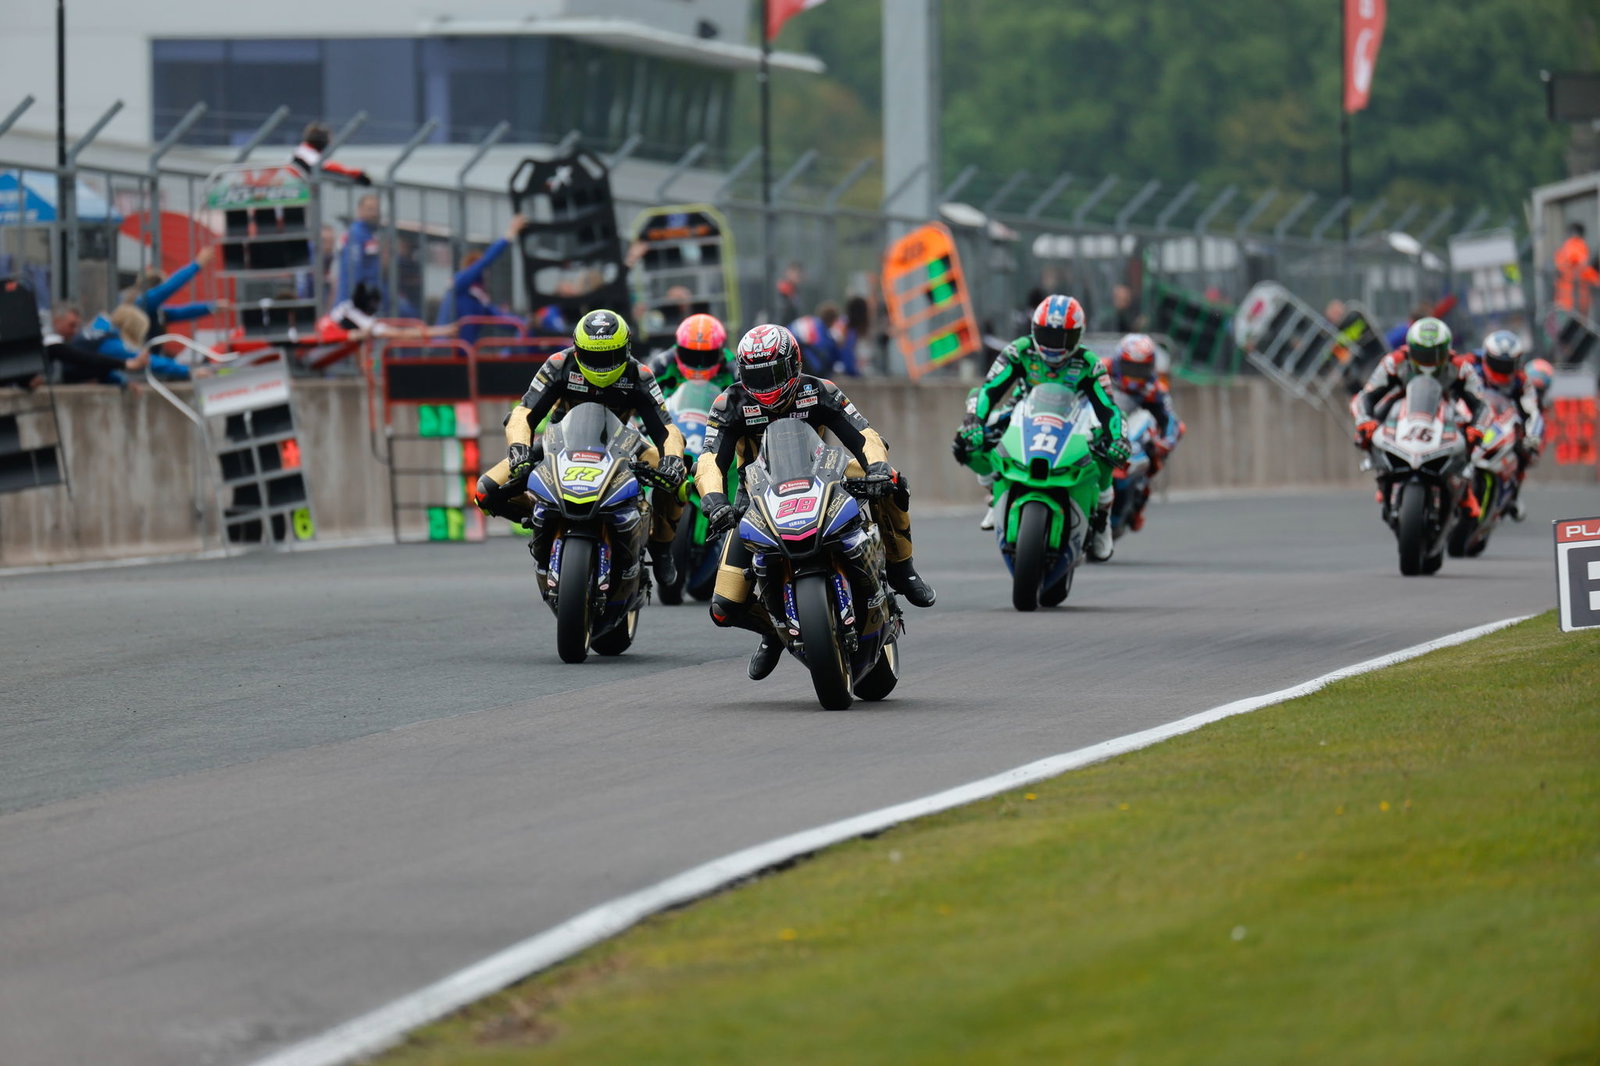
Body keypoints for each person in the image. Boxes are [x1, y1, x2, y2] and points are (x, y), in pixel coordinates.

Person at [694, 323, 936, 681]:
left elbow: (864, 434)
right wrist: (715, 500)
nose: (766, 386)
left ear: (793, 365)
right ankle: (772, 633)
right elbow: (710, 460)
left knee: (893, 481)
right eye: (756, 376)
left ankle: (903, 568)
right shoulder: (729, 404)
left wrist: (879, 467)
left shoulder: (820, 390)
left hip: (825, 477)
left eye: (773, 373)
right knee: (724, 606)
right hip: (758, 498)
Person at [473, 310, 687, 590]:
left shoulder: (640, 374)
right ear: (577, 349)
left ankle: (661, 546)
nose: (600, 367)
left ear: (626, 350)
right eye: (592, 357)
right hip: (558, 442)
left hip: (623, 443)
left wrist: (673, 459)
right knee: (484, 492)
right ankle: (541, 515)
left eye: (609, 357)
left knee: (679, 481)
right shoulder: (559, 364)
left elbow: (666, 429)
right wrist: (518, 449)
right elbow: (523, 413)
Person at [952, 295, 1130, 561]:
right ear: (1034, 330)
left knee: (1108, 450)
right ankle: (994, 493)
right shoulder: (1019, 351)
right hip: (1024, 411)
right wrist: (973, 421)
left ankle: (1102, 519)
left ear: (1077, 336)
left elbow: (1109, 408)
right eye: (1047, 335)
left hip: (1077, 417)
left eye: (1062, 338)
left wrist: (1118, 438)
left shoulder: (1089, 363)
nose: (1054, 346)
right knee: (966, 443)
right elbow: (989, 389)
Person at [1353, 317, 1491, 515]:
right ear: (1410, 349)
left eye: (1435, 354)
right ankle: (1382, 475)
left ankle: (1464, 490)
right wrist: (1365, 420)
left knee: (1473, 438)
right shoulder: (1394, 361)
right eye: (1422, 353)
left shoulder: (1460, 367)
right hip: (1403, 403)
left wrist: (1477, 428)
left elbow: (1481, 405)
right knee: (1370, 427)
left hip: (1445, 408)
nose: (1428, 360)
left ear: (1446, 350)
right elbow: (1365, 396)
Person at [1110, 333, 1185, 532]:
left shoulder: (1155, 389)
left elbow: (1171, 421)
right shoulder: (1100, 371)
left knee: (1154, 456)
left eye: (1140, 370)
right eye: (1130, 368)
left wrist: (1165, 442)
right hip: (1103, 425)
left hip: (1133, 432)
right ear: (1119, 362)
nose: (1134, 376)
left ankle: (1137, 503)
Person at [1472, 330, 1543, 520]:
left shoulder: (1521, 381)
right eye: (1497, 363)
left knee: (1526, 453)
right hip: (1472, 416)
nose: (1502, 369)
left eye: (1507, 365)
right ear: (1486, 356)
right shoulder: (1470, 364)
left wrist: (1533, 436)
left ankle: (1513, 495)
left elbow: (1533, 411)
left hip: (1505, 422)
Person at [435, 215, 527, 346]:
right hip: (445, 351)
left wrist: (526, 323)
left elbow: (501, 319)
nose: (485, 274)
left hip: (464, 355)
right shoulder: (459, 284)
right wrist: (508, 236)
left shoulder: (479, 300)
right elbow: (484, 262)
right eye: (481, 270)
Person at [131, 245, 227, 334]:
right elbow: (169, 287)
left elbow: (182, 312)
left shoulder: (155, 310)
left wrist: (212, 307)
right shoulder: (143, 303)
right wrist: (197, 264)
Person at [647, 312, 737, 394]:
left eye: (708, 356)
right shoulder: (662, 364)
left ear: (720, 353)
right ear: (678, 350)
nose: (698, 366)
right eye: (690, 356)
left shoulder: (734, 368)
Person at [336, 194, 384, 309]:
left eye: (376, 210)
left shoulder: (370, 234)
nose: (374, 214)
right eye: (370, 209)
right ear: (360, 210)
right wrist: (358, 298)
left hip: (369, 296)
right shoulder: (357, 233)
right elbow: (353, 269)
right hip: (354, 300)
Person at [289, 122, 371, 185]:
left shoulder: (306, 151)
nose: (330, 144)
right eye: (328, 141)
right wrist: (357, 173)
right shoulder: (305, 151)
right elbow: (326, 166)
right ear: (321, 140)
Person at [789, 302, 858, 377]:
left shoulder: (814, 323)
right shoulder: (822, 335)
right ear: (834, 320)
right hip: (797, 350)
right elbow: (816, 358)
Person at [1554, 222, 1599, 318]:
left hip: (1564, 299)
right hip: (1576, 298)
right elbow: (1579, 265)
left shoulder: (1563, 248)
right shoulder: (1577, 245)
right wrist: (1596, 279)